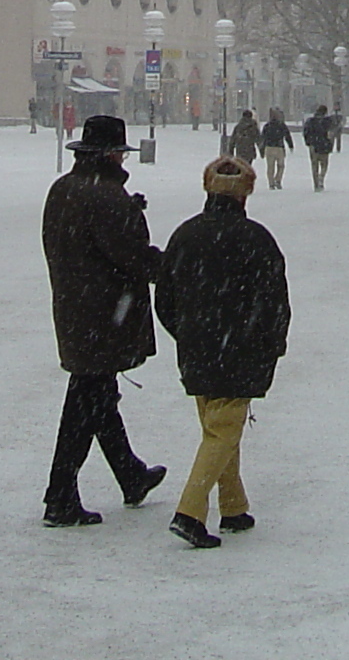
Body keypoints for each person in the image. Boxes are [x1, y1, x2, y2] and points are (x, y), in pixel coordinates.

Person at [40, 113, 170, 526]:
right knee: (87, 402)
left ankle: (130, 474)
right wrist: (171, 263)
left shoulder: (63, 189)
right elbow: (133, 258)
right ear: (113, 154)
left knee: (96, 394)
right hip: (104, 315)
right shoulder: (107, 198)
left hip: (75, 309)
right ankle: (60, 495)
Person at [154, 156, 290, 548]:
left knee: (218, 429)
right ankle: (190, 512)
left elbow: (165, 298)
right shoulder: (257, 239)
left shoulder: (185, 235)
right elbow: (275, 300)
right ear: (246, 191)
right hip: (242, 350)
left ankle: (233, 505)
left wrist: (187, 333)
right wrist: (271, 344)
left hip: (197, 349)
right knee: (222, 431)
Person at [302, 105, 336, 190]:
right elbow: (331, 133)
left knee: (314, 165)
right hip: (324, 146)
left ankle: (316, 183)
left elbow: (306, 132)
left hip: (314, 146)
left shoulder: (310, 121)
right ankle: (321, 178)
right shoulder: (328, 121)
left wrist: (309, 143)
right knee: (324, 165)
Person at [259, 108, 292, 190]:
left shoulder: (267, 126)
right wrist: (290, 145)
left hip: (269, 147)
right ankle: (278, 179)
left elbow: (262, 138)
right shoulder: (281, 125)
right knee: (281, 166)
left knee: (270, 167)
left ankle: (271, 183)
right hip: (279, 147)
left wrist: (262, 150)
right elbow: (287, 136)